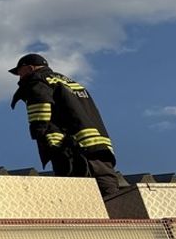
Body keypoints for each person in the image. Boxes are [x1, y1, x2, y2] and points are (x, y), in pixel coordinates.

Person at [9, 53, 124, 196]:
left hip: (68, 146)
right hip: (99, 144)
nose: (19, 78)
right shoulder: (69, 82)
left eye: (20, 72)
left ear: (29, 68)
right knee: (108, 188)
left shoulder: (37, 80)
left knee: (75, 191)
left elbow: (40, 104)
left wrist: (38, 130)